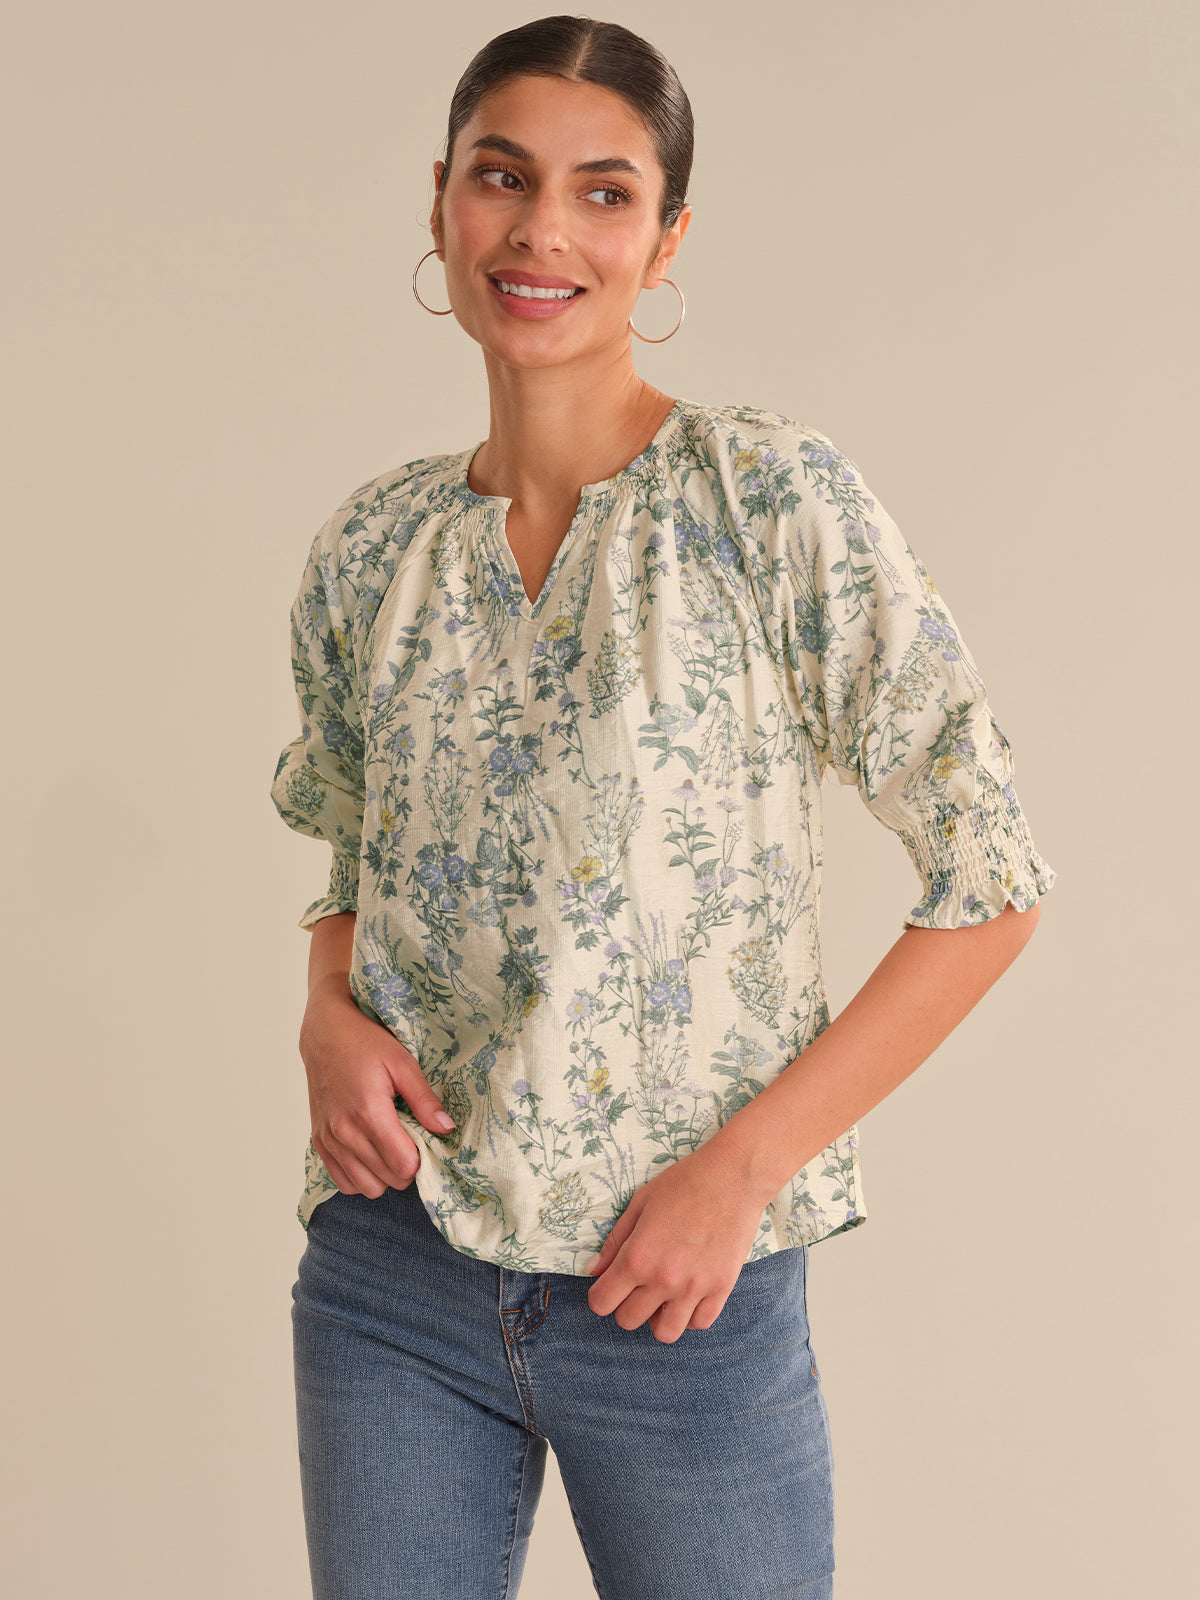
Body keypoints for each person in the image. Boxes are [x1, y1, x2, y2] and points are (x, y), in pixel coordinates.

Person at [270, 15, 1057, 1599]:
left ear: (667, 236)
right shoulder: (373, 549)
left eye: (604, 192)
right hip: (394, 1274)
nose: (544, 229)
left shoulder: (765, 502)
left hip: (680, 1293)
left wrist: (740, 1173)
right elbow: (351, 846)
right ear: (441, 205)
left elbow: (994, 873)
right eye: (503, 179)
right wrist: (323, 1013)